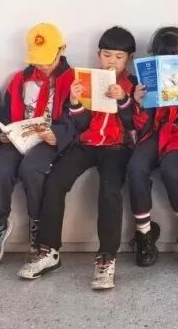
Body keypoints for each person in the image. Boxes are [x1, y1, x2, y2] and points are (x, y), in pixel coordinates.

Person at [20, 26, 136, 290]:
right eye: (107, 55)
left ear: (128, 59)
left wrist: (124, 99)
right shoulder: (87, 79)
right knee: (55, 180)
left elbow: (133, 123)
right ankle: (49, 250)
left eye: (119, 57)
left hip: (116, 147)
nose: (112, 61)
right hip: (86, 144)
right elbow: (81, 125)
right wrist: (75, 102)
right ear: (98, 54)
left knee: (110, 190)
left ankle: (106, 256)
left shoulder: (131, 84)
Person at [0, 23, 74, 267]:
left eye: (48, 59)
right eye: (37, 60)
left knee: (33, 169)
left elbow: (76, 120)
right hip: (19, 139)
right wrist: (2, 134)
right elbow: (7, 116)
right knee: (1, 168)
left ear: (62, 49)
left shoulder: (73, 80)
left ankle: (39, 225)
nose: (42, 65)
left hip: (48, 140)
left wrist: (57, 135)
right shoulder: (20, 80)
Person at [126, 26, 178, 268]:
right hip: (155, 132)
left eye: (175, 55)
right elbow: (140, 125)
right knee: (136, 166)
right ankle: (144, 232)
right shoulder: (144, 79)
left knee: (171, 168)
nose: (169, 60)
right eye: (163, 55)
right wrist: (138, 103)